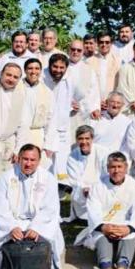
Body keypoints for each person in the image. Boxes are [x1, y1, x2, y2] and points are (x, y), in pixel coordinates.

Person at [0, 144, 65, 269]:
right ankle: (12, 268)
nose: (28, 164)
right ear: (18, 159)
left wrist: (37, 228)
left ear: (39, 161)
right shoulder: (5, 178)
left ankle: (45, 266)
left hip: (39, 223)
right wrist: (11, 227)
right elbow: (0, 207)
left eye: (32, 160)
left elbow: (50, 208)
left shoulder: (48, 179)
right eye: (25, 159)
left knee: (50, 236)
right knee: (8, 239)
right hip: (14, 222)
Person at [80, 152, 135, 269]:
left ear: (126, 167)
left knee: (131, 235)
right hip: (104, 225)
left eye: (120, 167)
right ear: (107, 168)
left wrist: (128, 229)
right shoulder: (98, 187)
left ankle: (122, 266)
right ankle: (106, 268)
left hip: (125, 226)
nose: (116, 171)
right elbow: (93, 212)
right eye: (113, 167)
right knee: (100, 235)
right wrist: (104, 227)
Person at [0, 63, 26, 201]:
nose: (11, 79)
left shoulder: (21, 95)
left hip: (8, 142)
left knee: (5, 177)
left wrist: (19, 149)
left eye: (15, 77)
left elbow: (23, 125)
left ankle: (1, 206)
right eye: (8, 75)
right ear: (1, 74)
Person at [42, 53, 78, 182]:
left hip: (62, 124)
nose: (58, 70)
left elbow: (78, 95)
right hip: (43, 126)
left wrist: (74, 103)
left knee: (62, 159)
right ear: (49, 66)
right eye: (55, 67)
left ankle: (61, 188)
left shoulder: (70, 78)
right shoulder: (41, 77)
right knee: (45, 161)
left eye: (61, 67)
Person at [65, 125, 110, 221]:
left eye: (87, 138)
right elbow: (74, 179)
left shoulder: (103, 152)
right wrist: (84, 188)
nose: (84, 142)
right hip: (82, 191)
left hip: (100, 188)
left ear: (92, 139)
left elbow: (107, 174)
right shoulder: (72, 156)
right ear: (76, 140)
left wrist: (95, 189)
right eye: (80, 139)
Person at [19, 59, 54, 167]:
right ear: (25, 70)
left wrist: (49, 144)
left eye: (37, 68)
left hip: (37, 134)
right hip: (18, 135)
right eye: (30, 68)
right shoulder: (16, 87)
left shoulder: (47, 92)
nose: (33, 71)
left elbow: (51, 119)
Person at [66, 39, 101, 132]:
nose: (75, 52)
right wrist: (68, 103)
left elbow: (94, 91)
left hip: (84, 112)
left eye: (79, 50)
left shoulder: (89, 69)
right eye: (73, 49)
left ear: (83, 51)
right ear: (68, 50)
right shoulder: (62, 67)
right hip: (65, 113)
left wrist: (95, 108)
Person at [86, 31, 122, 109]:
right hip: (94, 105)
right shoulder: (89, 62)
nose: (104, 45)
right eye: (101, 42)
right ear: (97, 43)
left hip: (112, 105)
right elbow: (87, 86)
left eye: (107, 42)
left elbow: (119, 85)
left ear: (111, 43)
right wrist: (96, 102)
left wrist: (111, 100)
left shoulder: (118, 61)